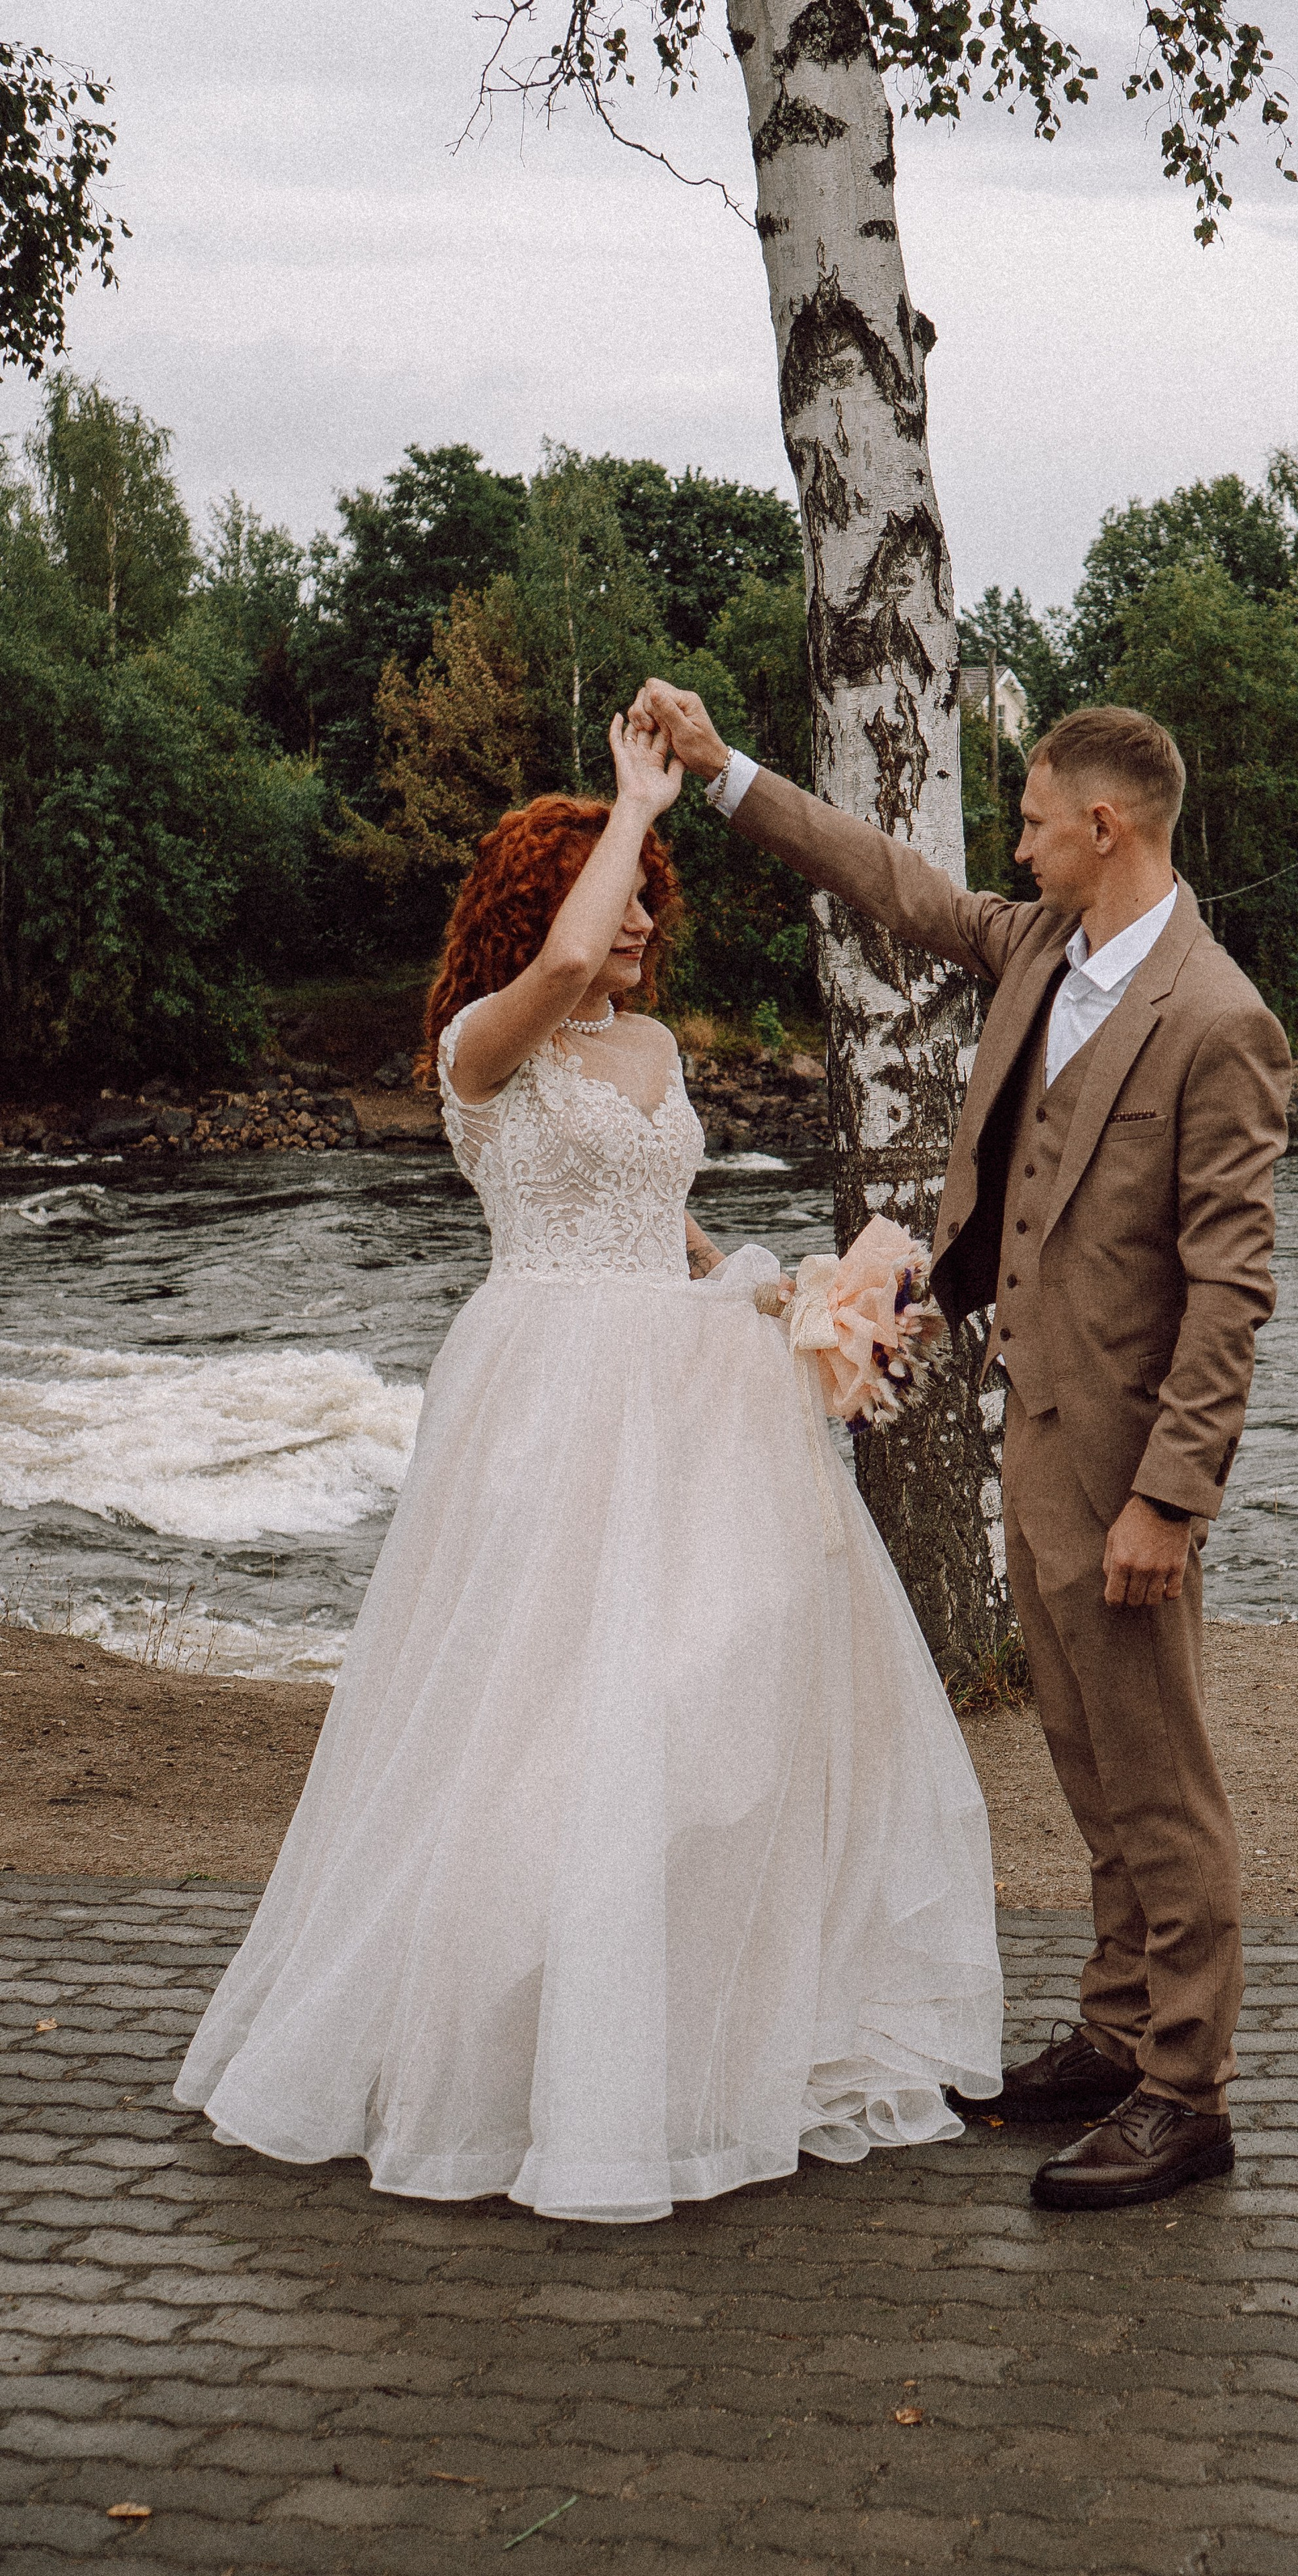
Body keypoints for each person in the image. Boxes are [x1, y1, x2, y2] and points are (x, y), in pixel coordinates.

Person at [175, 713, 1002, 2225]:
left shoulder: (658, 1048)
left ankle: (670, 2021)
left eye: (646, 896)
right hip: (547, 1395)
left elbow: (665, 1221)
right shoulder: (482, 1045)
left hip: (681, 1388)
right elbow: (556, 978)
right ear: (536, 902)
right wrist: (631, 798)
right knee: (525, 1713)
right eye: (618, 891)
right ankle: (492, 2031)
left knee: (704, 1694)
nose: (638, 919)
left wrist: (785, 1298)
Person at [633, 681, 1292, 2212]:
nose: (1014, 842)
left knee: (1161, 1778)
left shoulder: (1217, 1022)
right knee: (1083, 1750)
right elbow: (892, 882)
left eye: (1032, 818)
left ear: (1102, 826)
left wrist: (1167, 1503)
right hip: (1031, 1433)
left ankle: (1184, 2094)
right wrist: (728, 772)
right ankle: (1117, 2030)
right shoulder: (1035, 948)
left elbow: (1227, 1294)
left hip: (1125, 1466)